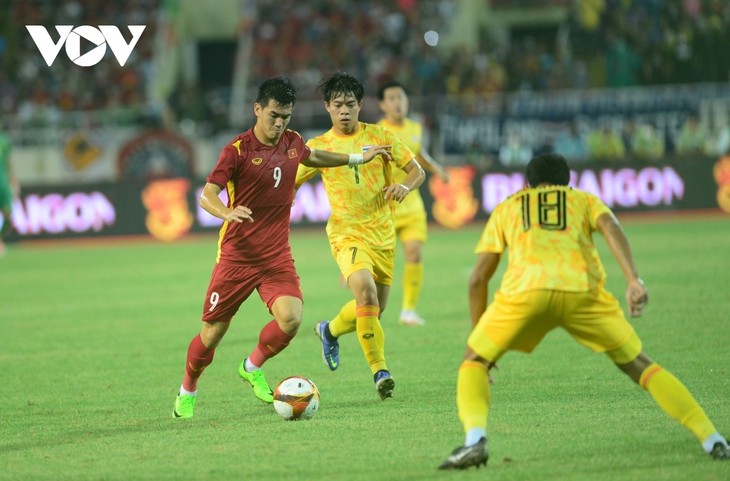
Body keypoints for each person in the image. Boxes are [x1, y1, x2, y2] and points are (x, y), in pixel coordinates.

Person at [439, 153, 729, 469]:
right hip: (582, 292)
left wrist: (483, 342)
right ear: (568, 182)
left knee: (474, 361)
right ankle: (712, 438)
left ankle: (474, 440)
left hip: (525, 293)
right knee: (640, 365)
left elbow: (477, 279)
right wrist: (633, 279)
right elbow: (610, 225)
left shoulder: (509, 206)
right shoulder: (583, 200)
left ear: (528, 183)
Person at [172, 77, 392, 419]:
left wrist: (355, 159)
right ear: (257, 109)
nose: (279, 123)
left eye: (286, 117)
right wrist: (227, 212)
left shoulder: (292, 142)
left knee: (291, 319)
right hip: (237, 257)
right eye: (273, 115)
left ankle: (251, 365)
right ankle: (189, 388)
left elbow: (314, 156)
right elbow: (207, 195)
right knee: (213, 334)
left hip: (276, 256)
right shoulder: (237, 151)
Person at [295, 72, 425, 400]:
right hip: (346, 234)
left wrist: (404, 186)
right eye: (337, 105)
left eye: (350, 104)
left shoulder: (381, 136)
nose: (344, 111)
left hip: (383, 235)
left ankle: (329, 330)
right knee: (365, 295)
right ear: (327, 107)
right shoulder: (318, 148)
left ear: (360, 105)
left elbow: (417, 170)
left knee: (373, 310)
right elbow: (289, 183)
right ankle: (380, 371)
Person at [376, 81, 449, 326]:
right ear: (383, 105)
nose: (398, 103)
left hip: (412, 202)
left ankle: (408, 311)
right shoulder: (377, 131)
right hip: (386, 205)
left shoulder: (416, 128)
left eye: (401, 97)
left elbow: (419, 156)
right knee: (379, 264)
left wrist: (437, 169)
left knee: (414, 253)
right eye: (392, 98)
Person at [0, 130, 18, 257]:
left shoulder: (4, 141)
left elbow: (8, 162)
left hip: (3, 183)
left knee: (8, 212)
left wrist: (13, 179)